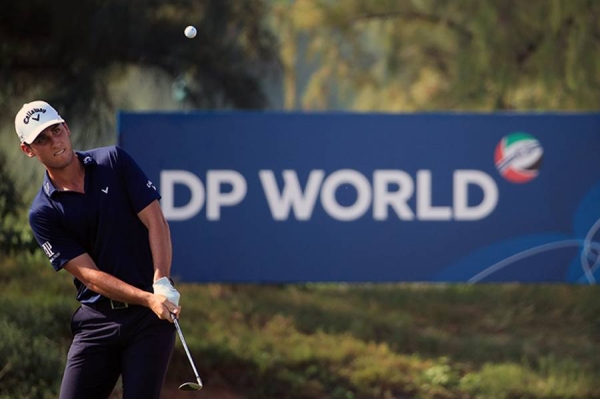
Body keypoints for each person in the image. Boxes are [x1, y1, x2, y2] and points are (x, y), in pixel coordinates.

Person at [15, 100, 182, 399]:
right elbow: (90, 276)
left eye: (56, 131)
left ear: (66, 127)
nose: (55, 142)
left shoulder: (113, 162)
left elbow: (156, 221)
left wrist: (162, 282)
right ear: (28, 150)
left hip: (149, 321)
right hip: (97, 320)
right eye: (42, 139)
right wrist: (147, 298)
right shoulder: (43, 212)